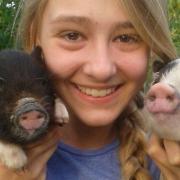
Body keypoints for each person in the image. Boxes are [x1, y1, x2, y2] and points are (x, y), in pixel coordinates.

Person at [0, 0, 179, 179]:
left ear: (152, 46)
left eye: (126, 38)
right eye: (72, 35)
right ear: (35, 38)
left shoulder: (167, 155)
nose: (101, 70)